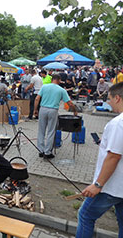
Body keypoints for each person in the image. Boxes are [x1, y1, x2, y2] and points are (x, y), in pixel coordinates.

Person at [76, 82, 123, 237]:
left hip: (111, 186)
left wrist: (98, 184)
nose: (108, 103)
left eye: (109, 99)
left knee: (85, 216)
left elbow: (114, 156)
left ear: (117, 98)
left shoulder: (118, 123)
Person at [34, 74, 77, 159]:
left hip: (43, 109)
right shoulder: (61, 90)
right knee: (51, 131)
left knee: (41, 130)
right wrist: (75, 111)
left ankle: (40, 150)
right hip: (53, 110)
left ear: (52, 79)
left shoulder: (44, 87)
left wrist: (35, 110)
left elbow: (37, 99)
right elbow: (70, 103)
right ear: (59, 80)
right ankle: (47, 152)